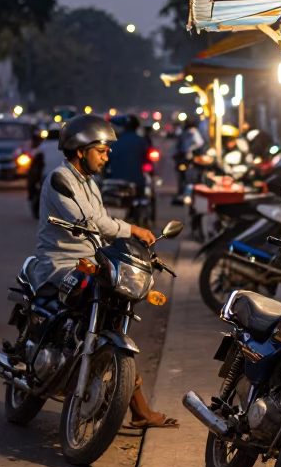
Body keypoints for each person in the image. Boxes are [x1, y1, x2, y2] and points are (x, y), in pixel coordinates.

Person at [32, 112, 177, 429]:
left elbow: (101, 227)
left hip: (89, 260)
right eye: (102, 150)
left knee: (116, 309)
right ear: (81, 150)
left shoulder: (89, 183)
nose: (107, 155)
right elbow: (92, 223)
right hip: (60, 262)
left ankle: (135, 405)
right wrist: (133, 230)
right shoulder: (61, 179)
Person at [107, 114, 149, 196]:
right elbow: (146, 160)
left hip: (115, 181)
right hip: (137, 183)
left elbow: (106, 163)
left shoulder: (114, 143)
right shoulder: (141, 141)